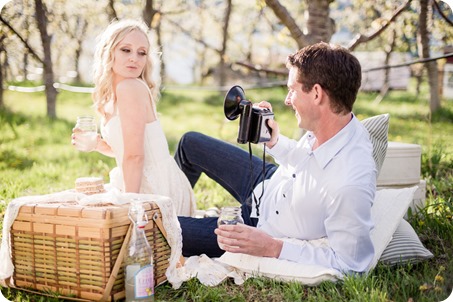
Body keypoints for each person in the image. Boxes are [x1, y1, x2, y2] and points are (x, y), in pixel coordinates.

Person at [175, 42, 376, 274]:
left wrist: (272, 247)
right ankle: (167, 205)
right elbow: (307, 162)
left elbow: (351, 264)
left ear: (317, 94)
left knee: (159, 228)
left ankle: (165, 216)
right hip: (268, 182)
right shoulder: (339, 126)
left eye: (292, 90)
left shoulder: (349, 183)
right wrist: (274, 142)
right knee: (191, 143)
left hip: (257, 224)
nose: (288, 101)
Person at [72, 19, 196, 217]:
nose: (134, 59)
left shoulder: (130, 87)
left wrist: (131, 206)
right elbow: (125, 151)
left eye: (142, 53)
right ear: (109, 52)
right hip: (137, 181)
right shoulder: (112, 95)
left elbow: (135, 157)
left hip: (157, 189)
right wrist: (96, 144)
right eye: (126, 50)